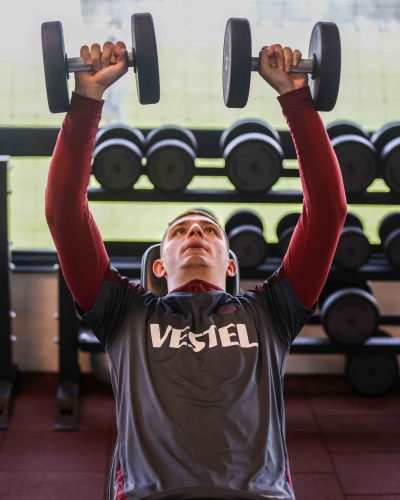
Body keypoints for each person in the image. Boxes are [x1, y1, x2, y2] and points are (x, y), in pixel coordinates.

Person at [45, 39, 347, 500]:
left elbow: (328, 211)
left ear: (230, 262)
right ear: (159, 264)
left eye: (208, 229)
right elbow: (64, 212)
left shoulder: (271, 312)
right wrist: (87, 99)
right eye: (180, 230)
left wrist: (296, 98)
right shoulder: (124, 313)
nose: (194, 233)